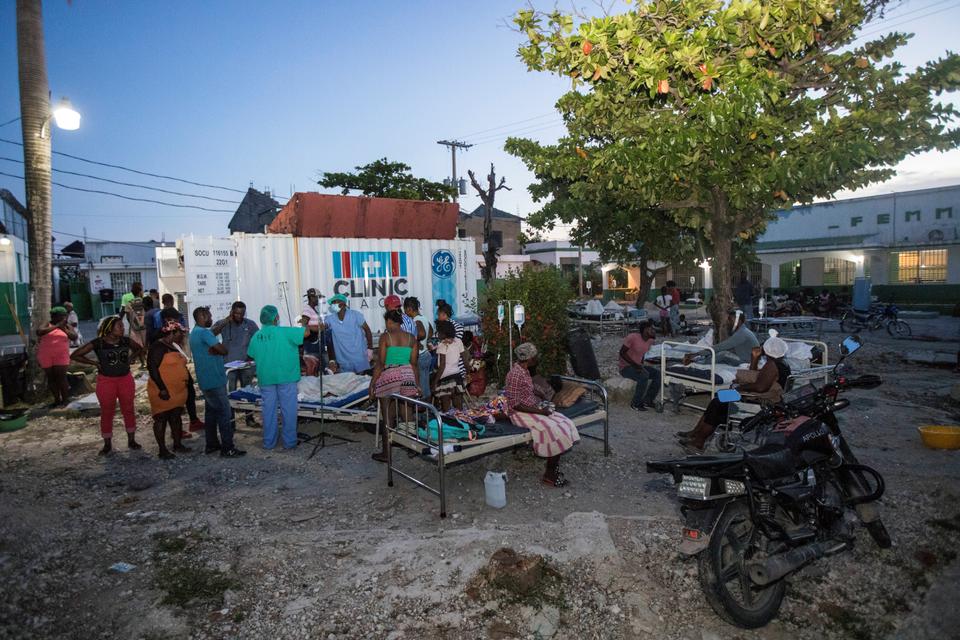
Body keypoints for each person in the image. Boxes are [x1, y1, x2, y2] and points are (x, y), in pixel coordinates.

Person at [677, 331, 791, 453]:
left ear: (767, 349)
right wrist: (754, 359)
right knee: (718, 397)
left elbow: (760, 388)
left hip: (761, 401)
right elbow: (755, 376)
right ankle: (696, 433)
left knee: (719, 403)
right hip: (764, 397)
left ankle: (699, 442)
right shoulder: (781, 363)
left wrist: (739, 388)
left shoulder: (771, 365)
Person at [504, 342, 580, 487]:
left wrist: (538, 393)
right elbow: (515, 404)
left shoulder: (524, 370)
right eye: (535, 356)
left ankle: (553, 469)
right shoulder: (514, 374)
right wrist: (541, 412)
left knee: (565, 422)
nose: (537, 358)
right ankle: (550, 474)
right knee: (553, 430)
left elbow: (526, 388)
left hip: (531, 406)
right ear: (529, 358)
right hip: (519, 412)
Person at [71, 316, 143, 455]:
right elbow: (75, 355)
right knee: (107, 412)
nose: (123, 329)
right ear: (110, 329)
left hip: (125, 379)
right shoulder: (99, 343)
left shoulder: (125, 341)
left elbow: (140, 349)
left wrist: (131, 359)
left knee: (128, 409)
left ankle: (132, 440)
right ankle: (107, 444)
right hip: (106, 381)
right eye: (119, 326)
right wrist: (94, 363)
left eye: (122, 326)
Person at [247, 305, 308, 450]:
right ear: (276, 318)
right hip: (286, 377)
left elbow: (251, 354)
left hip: (266, 379)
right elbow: (306, 333)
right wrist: (304, 322)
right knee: (289, 411)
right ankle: (290, 442)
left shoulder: (257, 336)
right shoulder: (285, 331)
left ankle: (269, 442)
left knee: (268, 412)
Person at [190, 307, 245, 458]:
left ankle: (212, 444)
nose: (211, 318)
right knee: (224, 414)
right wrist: (219, 348)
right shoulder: (204, 333)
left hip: (205, 378)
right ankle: (228, 448)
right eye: (209, 316)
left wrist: (226, 321)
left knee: (211, 414)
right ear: (202, 317)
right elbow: (223, 350)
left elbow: (215, 337)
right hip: (214, 379)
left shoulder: (195, 333)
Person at [370, 309, 420, 462]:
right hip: (407, 374)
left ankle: (387, 454)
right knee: (407, 414)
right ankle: (413, 448)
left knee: (387, 416)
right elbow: (414, 364)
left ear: (392, 322)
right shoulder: (412, 338)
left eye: (388, 322)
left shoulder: (386, 337)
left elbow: (381, 363)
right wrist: (417, 385)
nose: (387, 325)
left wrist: (372, 384)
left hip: (390, 375)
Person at [146, 320, 192, 459]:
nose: (182, 335)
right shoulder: (158, 347)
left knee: (176, 417)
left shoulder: (173, 346)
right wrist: (162, 388)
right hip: (162, 390)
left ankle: (177, 444)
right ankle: (162, 449)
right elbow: (152, 368)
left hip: (177, 391)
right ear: (172, 332)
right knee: (161, 418)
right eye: (180, 333)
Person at [158, 300, 203, 435]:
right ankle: (176, 431)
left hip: (180, 373)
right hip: (170, 378)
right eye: (175, 320)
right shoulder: (162, 340)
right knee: (174, 405)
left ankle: (192, 420)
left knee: (189, 395)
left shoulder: (174, 339)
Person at [683, 309, 760, 366]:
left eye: (730, 320)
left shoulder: (742, 333)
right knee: (719, 353)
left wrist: (696, 354)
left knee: (723, 354)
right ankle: (699, 359)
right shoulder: (743, 331)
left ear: (738, 321)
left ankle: (698, 363)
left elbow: (721, 347)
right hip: (747, 358)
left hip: (747, 361)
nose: (728, 322)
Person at [212, 301, 259, 391]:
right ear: (232, 312)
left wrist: (253, 356)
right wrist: (226, 321)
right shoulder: (223, 323)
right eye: (237, 313)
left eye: (242, 314)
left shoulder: (250, 324)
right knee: (230, 390)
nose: (239, 316)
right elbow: (211, 334)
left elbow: (258, 340)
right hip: (229, 365)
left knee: (247, 390)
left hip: (246, 364)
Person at [36, 306, 77, 407]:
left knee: (61, 377)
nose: (64, 318)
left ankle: (65, 400)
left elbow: (74, 337)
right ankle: (57, 400)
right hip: (46, 354)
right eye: (61, 316)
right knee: (51, 378)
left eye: (64, 316)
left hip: (61, 355)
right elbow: (39, 332)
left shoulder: (66, 325)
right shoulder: (47, 324)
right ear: (54, 317)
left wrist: (63, 328)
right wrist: (56, 326)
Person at [324, 294, 373, 374]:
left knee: (362, 383)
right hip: (344, 360)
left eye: (334, 303)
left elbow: (367, 330)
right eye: (332, 303)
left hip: (359, 358)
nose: (332, 305)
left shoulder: (355, 315)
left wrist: (370, 348)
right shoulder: (330, 319)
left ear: (342, 304)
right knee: (348, 384)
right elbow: (322, 327)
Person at [618, 321, 661, 411]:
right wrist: (635, 365)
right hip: (626, 367)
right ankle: (635, 403)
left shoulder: (650, 341)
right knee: (643, 376)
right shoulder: (632, 337)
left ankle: (648, 400)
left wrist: (640, 365)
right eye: (651, 329)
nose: (654, 330)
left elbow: (643, 354)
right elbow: (622, 352)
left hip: (637, 365)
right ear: (645, 330)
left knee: (658, 374)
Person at [432, 320, 467, 411]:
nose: (437, 334)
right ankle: (462, 423)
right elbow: (465, 358)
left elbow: (442, 365)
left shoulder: (442, 345)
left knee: (446, 408)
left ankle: (449, 423)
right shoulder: (458, 341)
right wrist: (468, 371)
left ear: (444, 333)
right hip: (457, 376)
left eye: (438, 332)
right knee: (459, 406)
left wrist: (435, 381)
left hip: (445, 378)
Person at [404, 297, 434, 400]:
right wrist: (424, 341)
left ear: (409, 309)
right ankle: (428, 409)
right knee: (425, 382)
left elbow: (422, 333)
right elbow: (430, 332)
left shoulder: (416, 321)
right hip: (426, 354)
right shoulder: (424, 318)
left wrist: (416, 341)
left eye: (405, 310)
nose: (405, 313)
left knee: (421, 386)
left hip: (420, 356)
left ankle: (424, 411)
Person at [301, 288, 323, 358]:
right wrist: (315, 328)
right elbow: (304, 324)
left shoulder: (313, 309)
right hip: (311, 343)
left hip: (316, 342)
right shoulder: (307, 309)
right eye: (317, 297)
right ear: (312, 297)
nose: (318, 299)